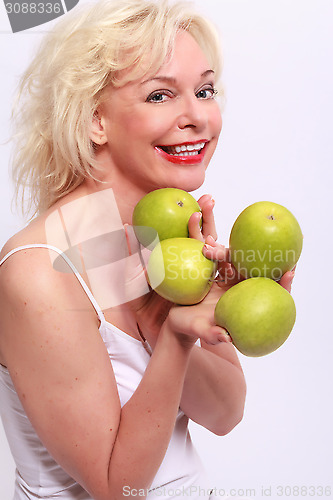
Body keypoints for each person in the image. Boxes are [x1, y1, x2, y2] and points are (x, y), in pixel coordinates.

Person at [0, 0, 293, 498]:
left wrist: (173, 317)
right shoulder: (41, 272)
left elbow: (225, 414)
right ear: (96, 120)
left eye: (205, 90)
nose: (197, 116)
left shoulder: (166, 243)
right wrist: (177, 337)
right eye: (160, 95)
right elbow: (117, 488)